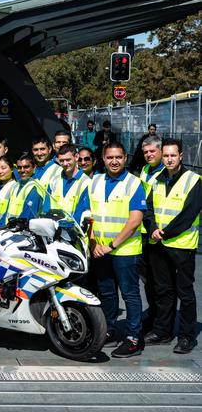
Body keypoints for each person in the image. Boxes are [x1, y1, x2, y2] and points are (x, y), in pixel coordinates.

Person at [144, 138, 202, 354]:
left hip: (181, 246)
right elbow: (148, 209)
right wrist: (152, 229)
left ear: (181, 156)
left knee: (184, 292)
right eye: (166, 155)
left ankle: (186, 337)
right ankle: (162, 332)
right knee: (163, 291)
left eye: (172, 155)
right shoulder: (156, 180)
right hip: (158, 244)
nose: (169, 159)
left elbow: (188, 214)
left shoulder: (194, 180)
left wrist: (164, 233)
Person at [89, 142, 146, 358]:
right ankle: (109, 330)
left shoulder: (134, 183)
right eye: (110, 157)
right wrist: (94, 243)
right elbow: (90, 217)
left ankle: (133, 338)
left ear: (125, 158)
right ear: (103, 159)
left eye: (119, 157)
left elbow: (134, 221)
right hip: (100, 250)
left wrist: (111, 245)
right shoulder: (94, 182)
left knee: (130, 295)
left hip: (125, 251)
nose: (114, 161)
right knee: (107, 293)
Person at [137, 135, 164, 332]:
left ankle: (162, 322)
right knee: (148, 281)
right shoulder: (145, 170)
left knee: (161, 283)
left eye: (152, 151)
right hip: (144, 232)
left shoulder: (166, 172)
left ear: (161, 151)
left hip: (159, 233)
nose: (148, 155)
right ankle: (153, 313)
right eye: (145, 152)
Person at [45, 144, 91, 224]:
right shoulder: (53, 180)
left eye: (68, 160)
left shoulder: (86, 182)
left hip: (75, 232)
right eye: (62, 161)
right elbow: (46, 208)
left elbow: (80, 213)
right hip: (54, 231)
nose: (65, 164)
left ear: (76, 157)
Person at [6, 153, 42, 221]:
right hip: (10, 228)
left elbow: (27, 216)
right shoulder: (16, 185)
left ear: (34, 167)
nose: (22, 170)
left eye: (26, 167)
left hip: (22, 229)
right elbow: (6, 213)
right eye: (19, 167)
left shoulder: (34, 187)